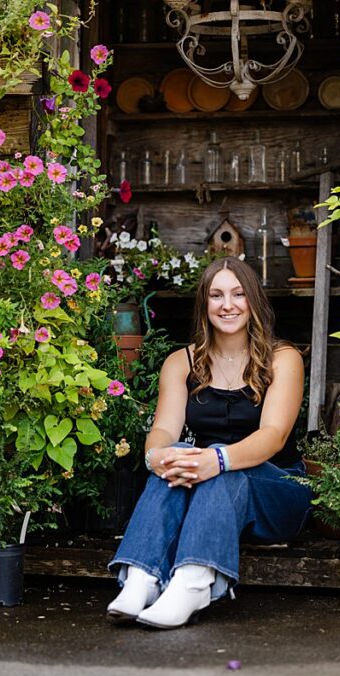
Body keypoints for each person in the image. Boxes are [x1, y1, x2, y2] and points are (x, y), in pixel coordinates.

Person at [106, 257, 311, 628]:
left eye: (238, 294)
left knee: (223, 467)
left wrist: (216, 460)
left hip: (277, 490)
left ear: (254, 302)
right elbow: (164, 429)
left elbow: (273, 436)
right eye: (216, 295)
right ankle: (141, 580)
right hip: (207, 490)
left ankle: (194, 582)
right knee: (180, 453)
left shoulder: (283, 358)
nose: (227, 304)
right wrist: (159, 457)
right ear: (204, 304)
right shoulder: (180, 362)